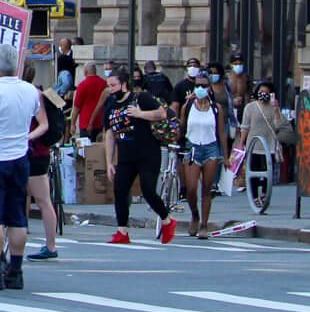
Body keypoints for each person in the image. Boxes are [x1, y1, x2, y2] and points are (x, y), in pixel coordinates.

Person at [0, 45, 41, 292]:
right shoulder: (30, 91)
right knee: (17, 216)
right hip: (20, 156)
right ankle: (16, 269)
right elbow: (34, 115)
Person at [101, 67, 176, 245]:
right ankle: (122, 231)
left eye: (113, 85)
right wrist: (109, 162)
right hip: (126, 155)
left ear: (124, 85)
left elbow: (161, 113)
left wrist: (140, 114)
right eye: (109, 86)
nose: (111, 89)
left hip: (147, 152)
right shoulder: (111, 105)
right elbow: (110, 134)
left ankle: (167, 220)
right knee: (120, 189)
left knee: (148, 190)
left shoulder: (139, 98)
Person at [22, 65, 62, 261]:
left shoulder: (32, 94)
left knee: (40, 199)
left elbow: (43, 124)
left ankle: (50, 244)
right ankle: (47, 242)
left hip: (33, 151)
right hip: (38, 151)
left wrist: (26, 138)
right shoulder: (40, 92)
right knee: (39, 199)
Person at [179, 79, 227, 240]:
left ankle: (204, 224)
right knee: (191, 188)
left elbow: (221, 133)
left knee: (207, 188)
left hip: (210, 148)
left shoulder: (216, 108)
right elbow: (181, 126)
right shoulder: (188, 107)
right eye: (197, 86)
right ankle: (195, 215)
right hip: (192, 147)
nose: (200, 89)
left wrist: (226, 156)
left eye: (203, 86)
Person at [73, 63, 107, 138]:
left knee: (86, 147)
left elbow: (77, 107)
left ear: (85, 72)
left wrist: (73, 124)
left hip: (85, 121)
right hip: (100, 121)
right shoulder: (104, 83)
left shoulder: (82, 85)